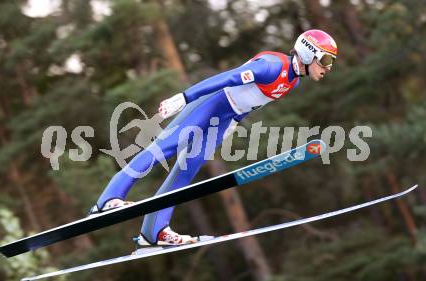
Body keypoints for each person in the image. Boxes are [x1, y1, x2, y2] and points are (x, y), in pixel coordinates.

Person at [89, 29, 338, 246]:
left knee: (187, 169)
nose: (328, 67)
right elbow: (225, 78)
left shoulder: (292, 81)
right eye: (326, 59)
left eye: (332, 62)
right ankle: (108, 199)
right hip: (210, 104)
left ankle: (154, 230)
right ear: (307, 53)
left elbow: (253, 103)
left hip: (226, 117)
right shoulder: (272, 66)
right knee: (164, 148)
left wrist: (233, 124)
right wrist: (184, 98)